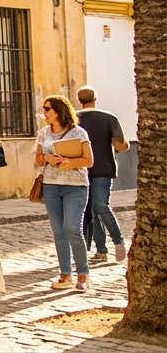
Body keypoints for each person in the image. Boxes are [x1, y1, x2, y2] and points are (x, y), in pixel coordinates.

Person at [37, 94, 94, 291]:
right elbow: (38, 159)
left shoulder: (78, 133)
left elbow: (89, 161)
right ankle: (65, 274)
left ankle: (83, 273)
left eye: (47, 109)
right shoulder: (44, 133)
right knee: (58, 231)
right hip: (51, 185)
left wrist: (69, 162)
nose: (44, 112)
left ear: (59, 111)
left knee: (72, 228)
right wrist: (47, 157)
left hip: (75, 186)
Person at [76, 86, 129, 263]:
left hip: (79, 168)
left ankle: (109, 246)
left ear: (79, 99)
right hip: (103, 168)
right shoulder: (109, 118)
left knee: (93, 208)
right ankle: (107, 247)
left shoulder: (73, 119)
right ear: (95, 98)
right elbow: (122, 146)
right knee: (98, 207)